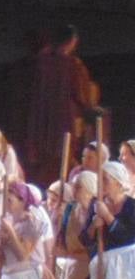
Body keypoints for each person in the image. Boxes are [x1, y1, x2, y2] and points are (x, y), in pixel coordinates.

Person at [21, 24, 99, 183]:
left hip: (39, 120)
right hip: (62, 120)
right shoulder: (73, 65)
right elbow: (81, 96)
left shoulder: (38, 63)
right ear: (72, 42)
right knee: (61, 157)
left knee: (43, 162)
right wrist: (89, 108)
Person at [85, 161, 135, 279]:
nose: (100, 184)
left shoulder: (131, 206)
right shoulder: (95, 204)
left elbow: (129, 237)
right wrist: (94, 225)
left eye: (105, 180)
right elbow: (84, 238)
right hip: (102, 264)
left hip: (126, 266)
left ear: (119, 183)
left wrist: (108, 218)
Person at [52, 171, 97, 279]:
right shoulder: (70, 208)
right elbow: (61, 235)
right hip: (71, 262)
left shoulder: (97, 208)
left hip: (90, 263)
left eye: (79, 187)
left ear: (90, 189)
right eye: (74, 186)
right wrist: (56, 219)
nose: (74, 190)